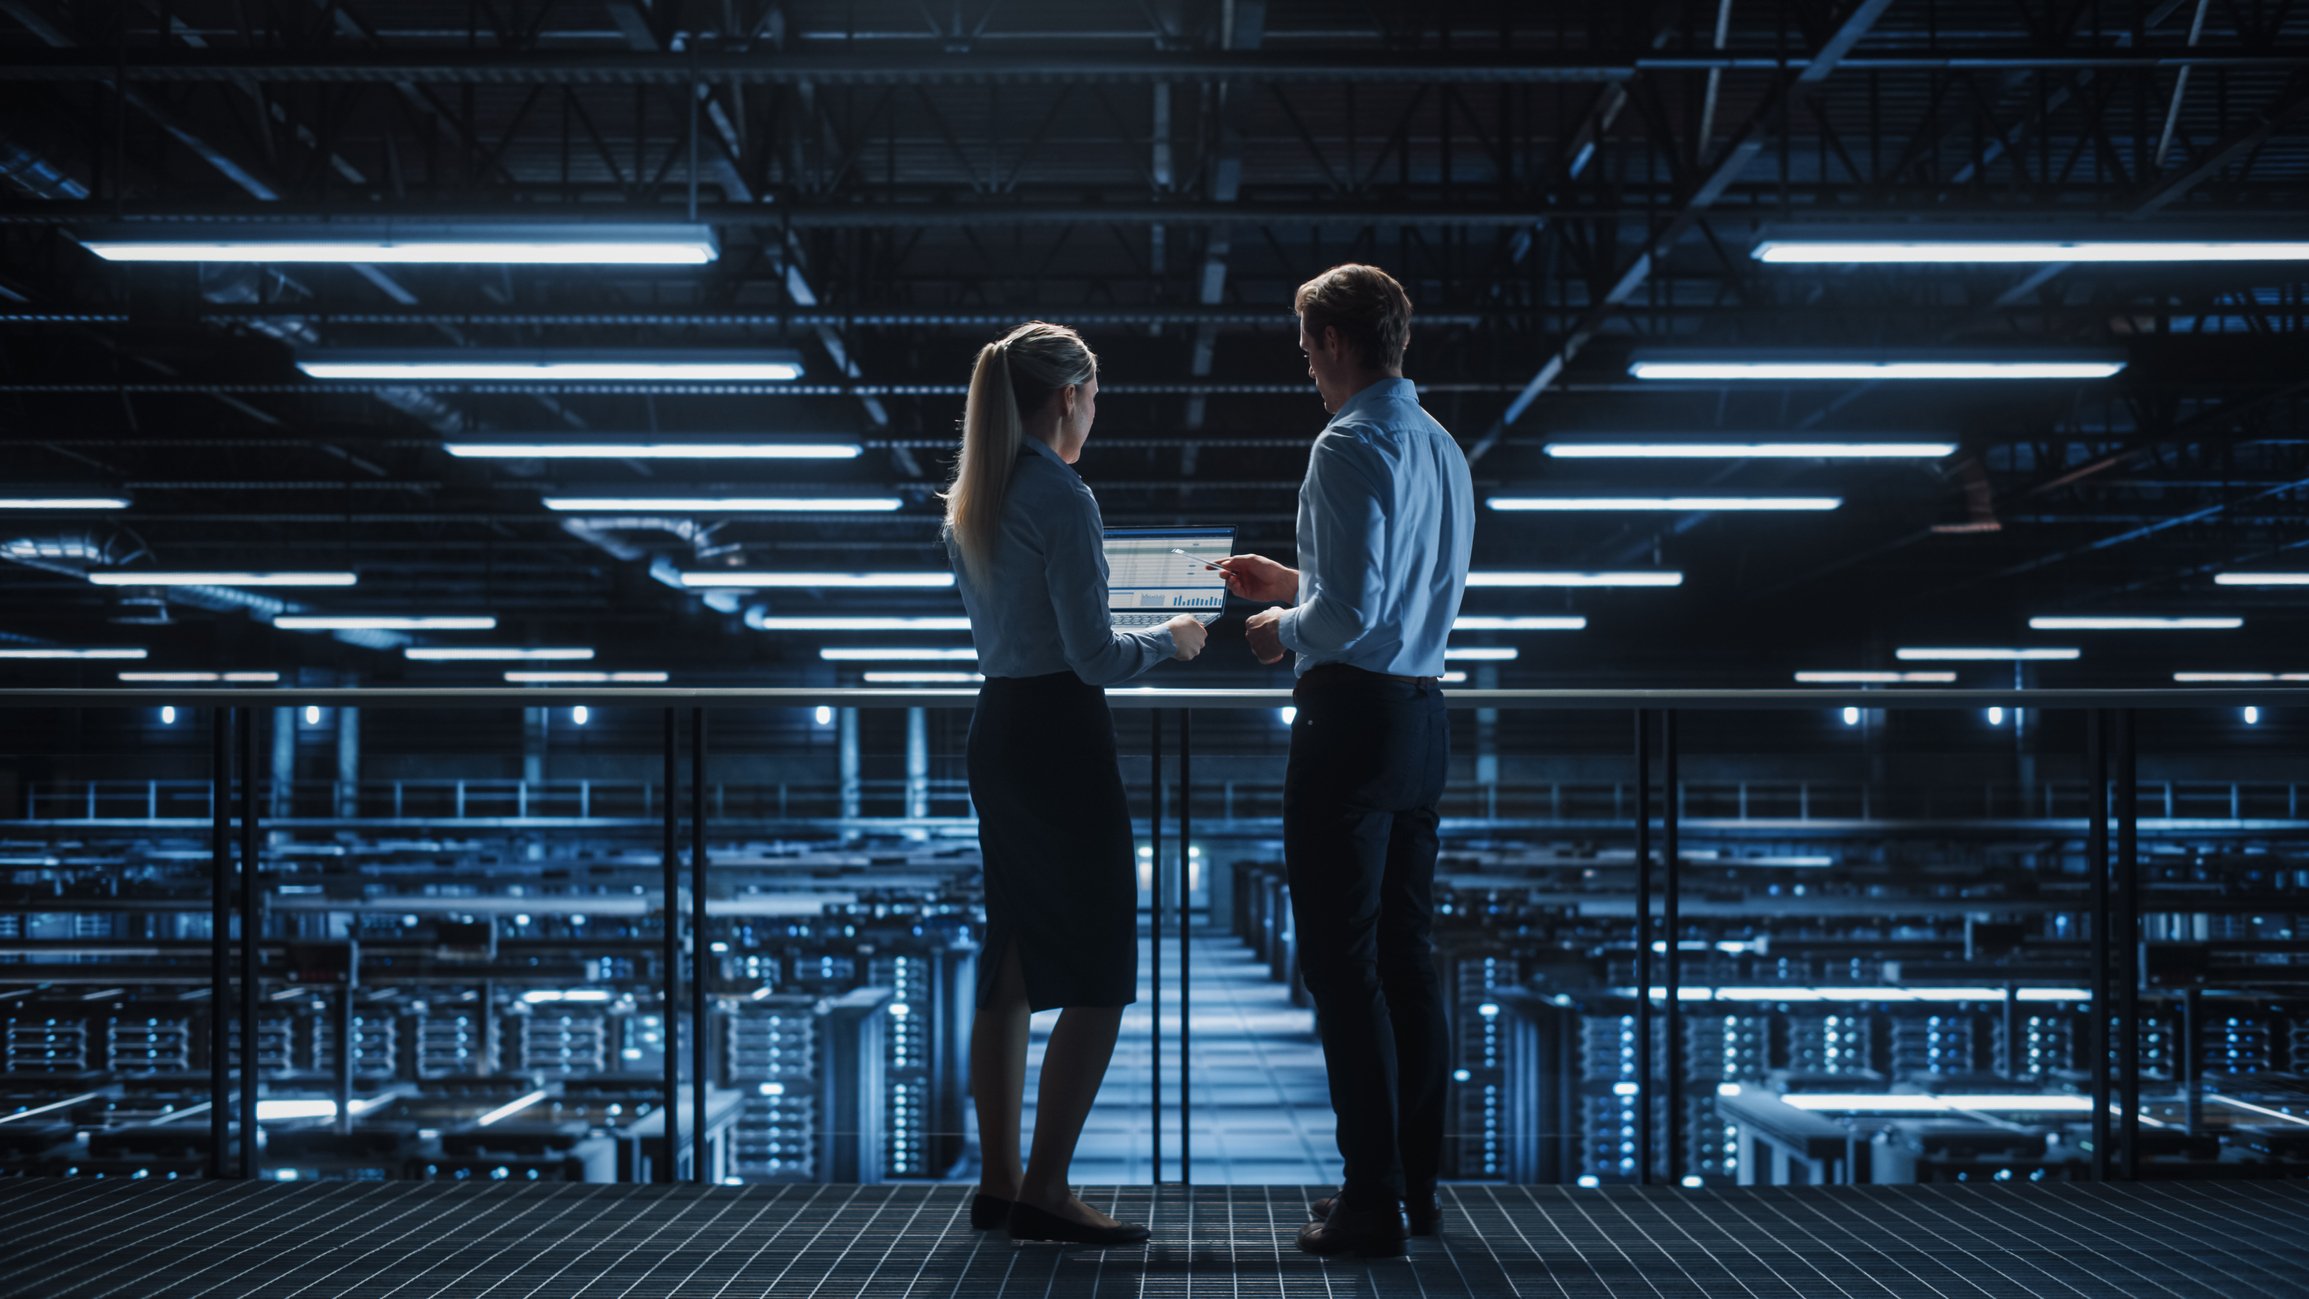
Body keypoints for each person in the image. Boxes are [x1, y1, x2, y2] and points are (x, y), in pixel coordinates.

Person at [1220, 265, 1474, 1257]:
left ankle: (1363, 1199)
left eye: (1303, 347)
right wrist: (1296, 579)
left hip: (1350, 725)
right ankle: (1411, 1190)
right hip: (1421, 720)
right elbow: (1404, 592)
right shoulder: (1438, 445)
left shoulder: (1346, 442)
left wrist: (1280, 622)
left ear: (1330, 339)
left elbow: (1346, 617)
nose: (1303, 367)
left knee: (1340, 964)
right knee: (1407, 964)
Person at [942, 320, 1208, 1246]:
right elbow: (1092, 656)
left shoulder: (977, 494)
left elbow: (1035, 625)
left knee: (1012, 960)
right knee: (1099, 970)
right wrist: (1168, 641)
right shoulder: (1061, 496)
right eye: (1093, 396)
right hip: (1059, 735)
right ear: (1068, 397)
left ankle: (1001, 1181)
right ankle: (1050, 1190)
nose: (1095, 413)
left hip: (1000, 727)